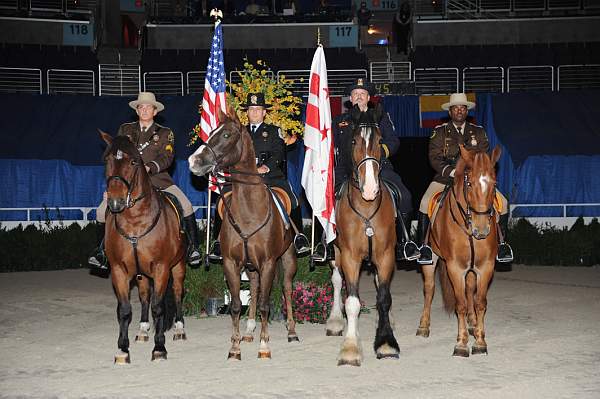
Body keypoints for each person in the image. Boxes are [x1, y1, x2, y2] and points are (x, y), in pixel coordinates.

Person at [88, 92, 202, 270]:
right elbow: (117, 156)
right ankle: (100, 252)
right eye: (141, 107)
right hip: (128, 182)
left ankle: (193, 249)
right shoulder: (125, 130)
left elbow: (167, 157)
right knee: (101, 211)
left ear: (155, 111)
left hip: (158, 180)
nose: (145, 109)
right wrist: (115, 186)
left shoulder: (165, 133)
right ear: (137, 110)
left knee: (186, 205)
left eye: (148, 107)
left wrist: (150, 167)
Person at [313, 78, 420, 262]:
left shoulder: (380, 117)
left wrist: (379, 155)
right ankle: (325, 244)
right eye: (355, 94)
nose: (359, 97)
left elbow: (393, 142)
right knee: (324, 198)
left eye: (362, 94)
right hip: (346, 169)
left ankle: (404, 242)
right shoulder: (340, 121)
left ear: (369, 98)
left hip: (377, 167)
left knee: (404, 195)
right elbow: (329, 146)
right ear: (350, 98)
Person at [207, 92, 310, 262]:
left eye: (258, 109)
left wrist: (266, 166)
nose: (254, 112)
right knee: (221, 201)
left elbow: (279, 153)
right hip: (241, 179)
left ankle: (299, 236)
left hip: (269, 177)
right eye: (251, 109)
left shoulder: (274, 131)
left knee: (292, 199)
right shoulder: (239, 132)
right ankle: (218, 242)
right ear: (247, 112)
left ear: (264, 112)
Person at [416, 93, 514, 265]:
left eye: (463, 108)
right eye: (456, 108)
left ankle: (502, 245)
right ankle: (423, 247)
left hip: (474, 179)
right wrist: (453, 172)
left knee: (503, 203)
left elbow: (483, 157)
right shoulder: (439, 132)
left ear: (467, 111)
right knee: (425, 203)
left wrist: (473, 173)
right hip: (446, 177)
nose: (459, 111)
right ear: (450, 111)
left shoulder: (478, 132)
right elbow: (434, 157)